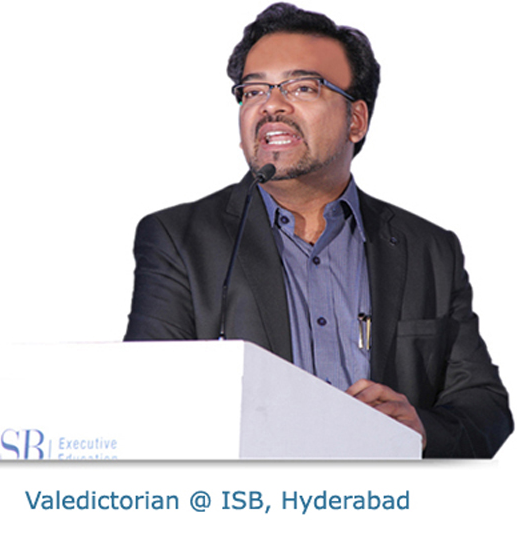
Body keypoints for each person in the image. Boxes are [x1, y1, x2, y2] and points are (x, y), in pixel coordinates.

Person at [124, 3, 512, 458]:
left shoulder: (428, 249)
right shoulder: (179, 240)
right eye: (253, 91)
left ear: (356, 120)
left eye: (302, 87)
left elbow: (485, 409)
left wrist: (419, 428)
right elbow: (145, 403)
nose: (271, 105)